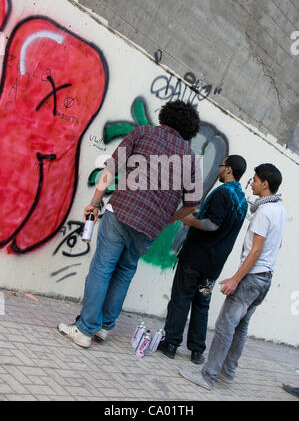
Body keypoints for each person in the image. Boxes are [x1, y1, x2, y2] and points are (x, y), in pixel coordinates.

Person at [58, 100, 202, 348]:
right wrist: (170, 219)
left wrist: (95, 202)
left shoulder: (143, 133)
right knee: (124, 272)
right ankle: (103, 327)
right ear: (190, 129)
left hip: (122, 212)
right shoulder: (190, 159)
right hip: (150, 227)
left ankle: (84, 329)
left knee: (102, 268)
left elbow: (111, 168)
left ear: (166, 116)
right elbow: (192, 205)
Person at [180, 163, 286, 390]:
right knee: (241, 326)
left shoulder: (264, 212)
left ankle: (207, 376)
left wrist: (236, 278)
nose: (252, 183)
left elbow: (256, 250)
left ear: (265, 184)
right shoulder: (279, 209)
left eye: (256, 180)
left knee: (225, 325)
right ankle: (227, 373)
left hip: (252, 278)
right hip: (265, 278)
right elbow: (276, 245)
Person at [158, 155, 248, 364]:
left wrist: (190, 220)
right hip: (213, 267)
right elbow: (222, 222)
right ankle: (197, 351)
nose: (218, 168)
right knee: (202, 304)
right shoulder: (242, 200)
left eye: (221, 165)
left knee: (181, 298)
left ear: (228, 170)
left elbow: (213, 225)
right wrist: (201, 214)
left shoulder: (222, 193)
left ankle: (171, 344)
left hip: (194, 260)